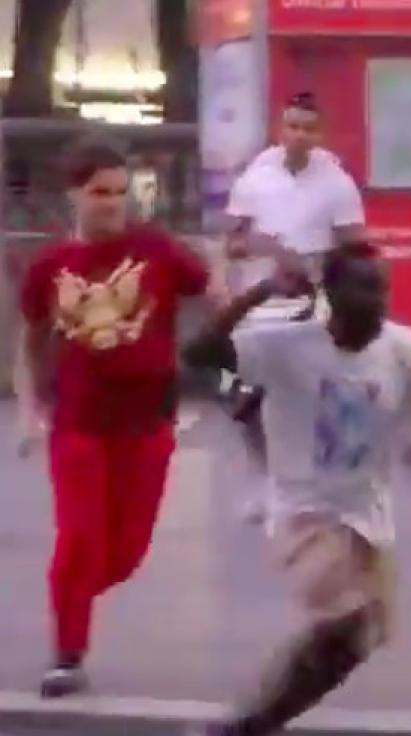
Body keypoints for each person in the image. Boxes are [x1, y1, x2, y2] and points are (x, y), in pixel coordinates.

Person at [181, 241, 411, 736]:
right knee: (344, 621)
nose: (375, 301)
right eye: (362, 288)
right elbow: (199, 355)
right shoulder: (283, 344)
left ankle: (258, 721)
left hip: (368, 517)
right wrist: (257, 294)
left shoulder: (407, 348)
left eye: (382, 288)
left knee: (357, 643)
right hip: (303, 512)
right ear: (331, 294)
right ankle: (247, 722)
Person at [17, 140, 215, 699]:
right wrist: (30, 410)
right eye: (99, 193)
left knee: (125, 553)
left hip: (148, 423)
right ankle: (67, 655)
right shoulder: (51, 267)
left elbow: (211, 292)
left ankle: (69, 593)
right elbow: (30, 341)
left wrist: (227, 280)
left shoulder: (155, 249)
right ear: (73, 194)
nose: (111, 204)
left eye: (120, 193)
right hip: (78, 424)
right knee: (79, 539)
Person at [224, 91, 367, 520]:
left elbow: (355, 247)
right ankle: (262, 478)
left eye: (307, 128)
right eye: (292, 127)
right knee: (247, 400)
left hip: (311, 304)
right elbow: (232, 242)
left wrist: (318, 266)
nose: (298, 136)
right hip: (257, 302)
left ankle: (308, 483)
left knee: (305, 400)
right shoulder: (255, 178)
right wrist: (259, 246)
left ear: (319, 133)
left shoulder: (336, 183)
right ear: (280, 129)